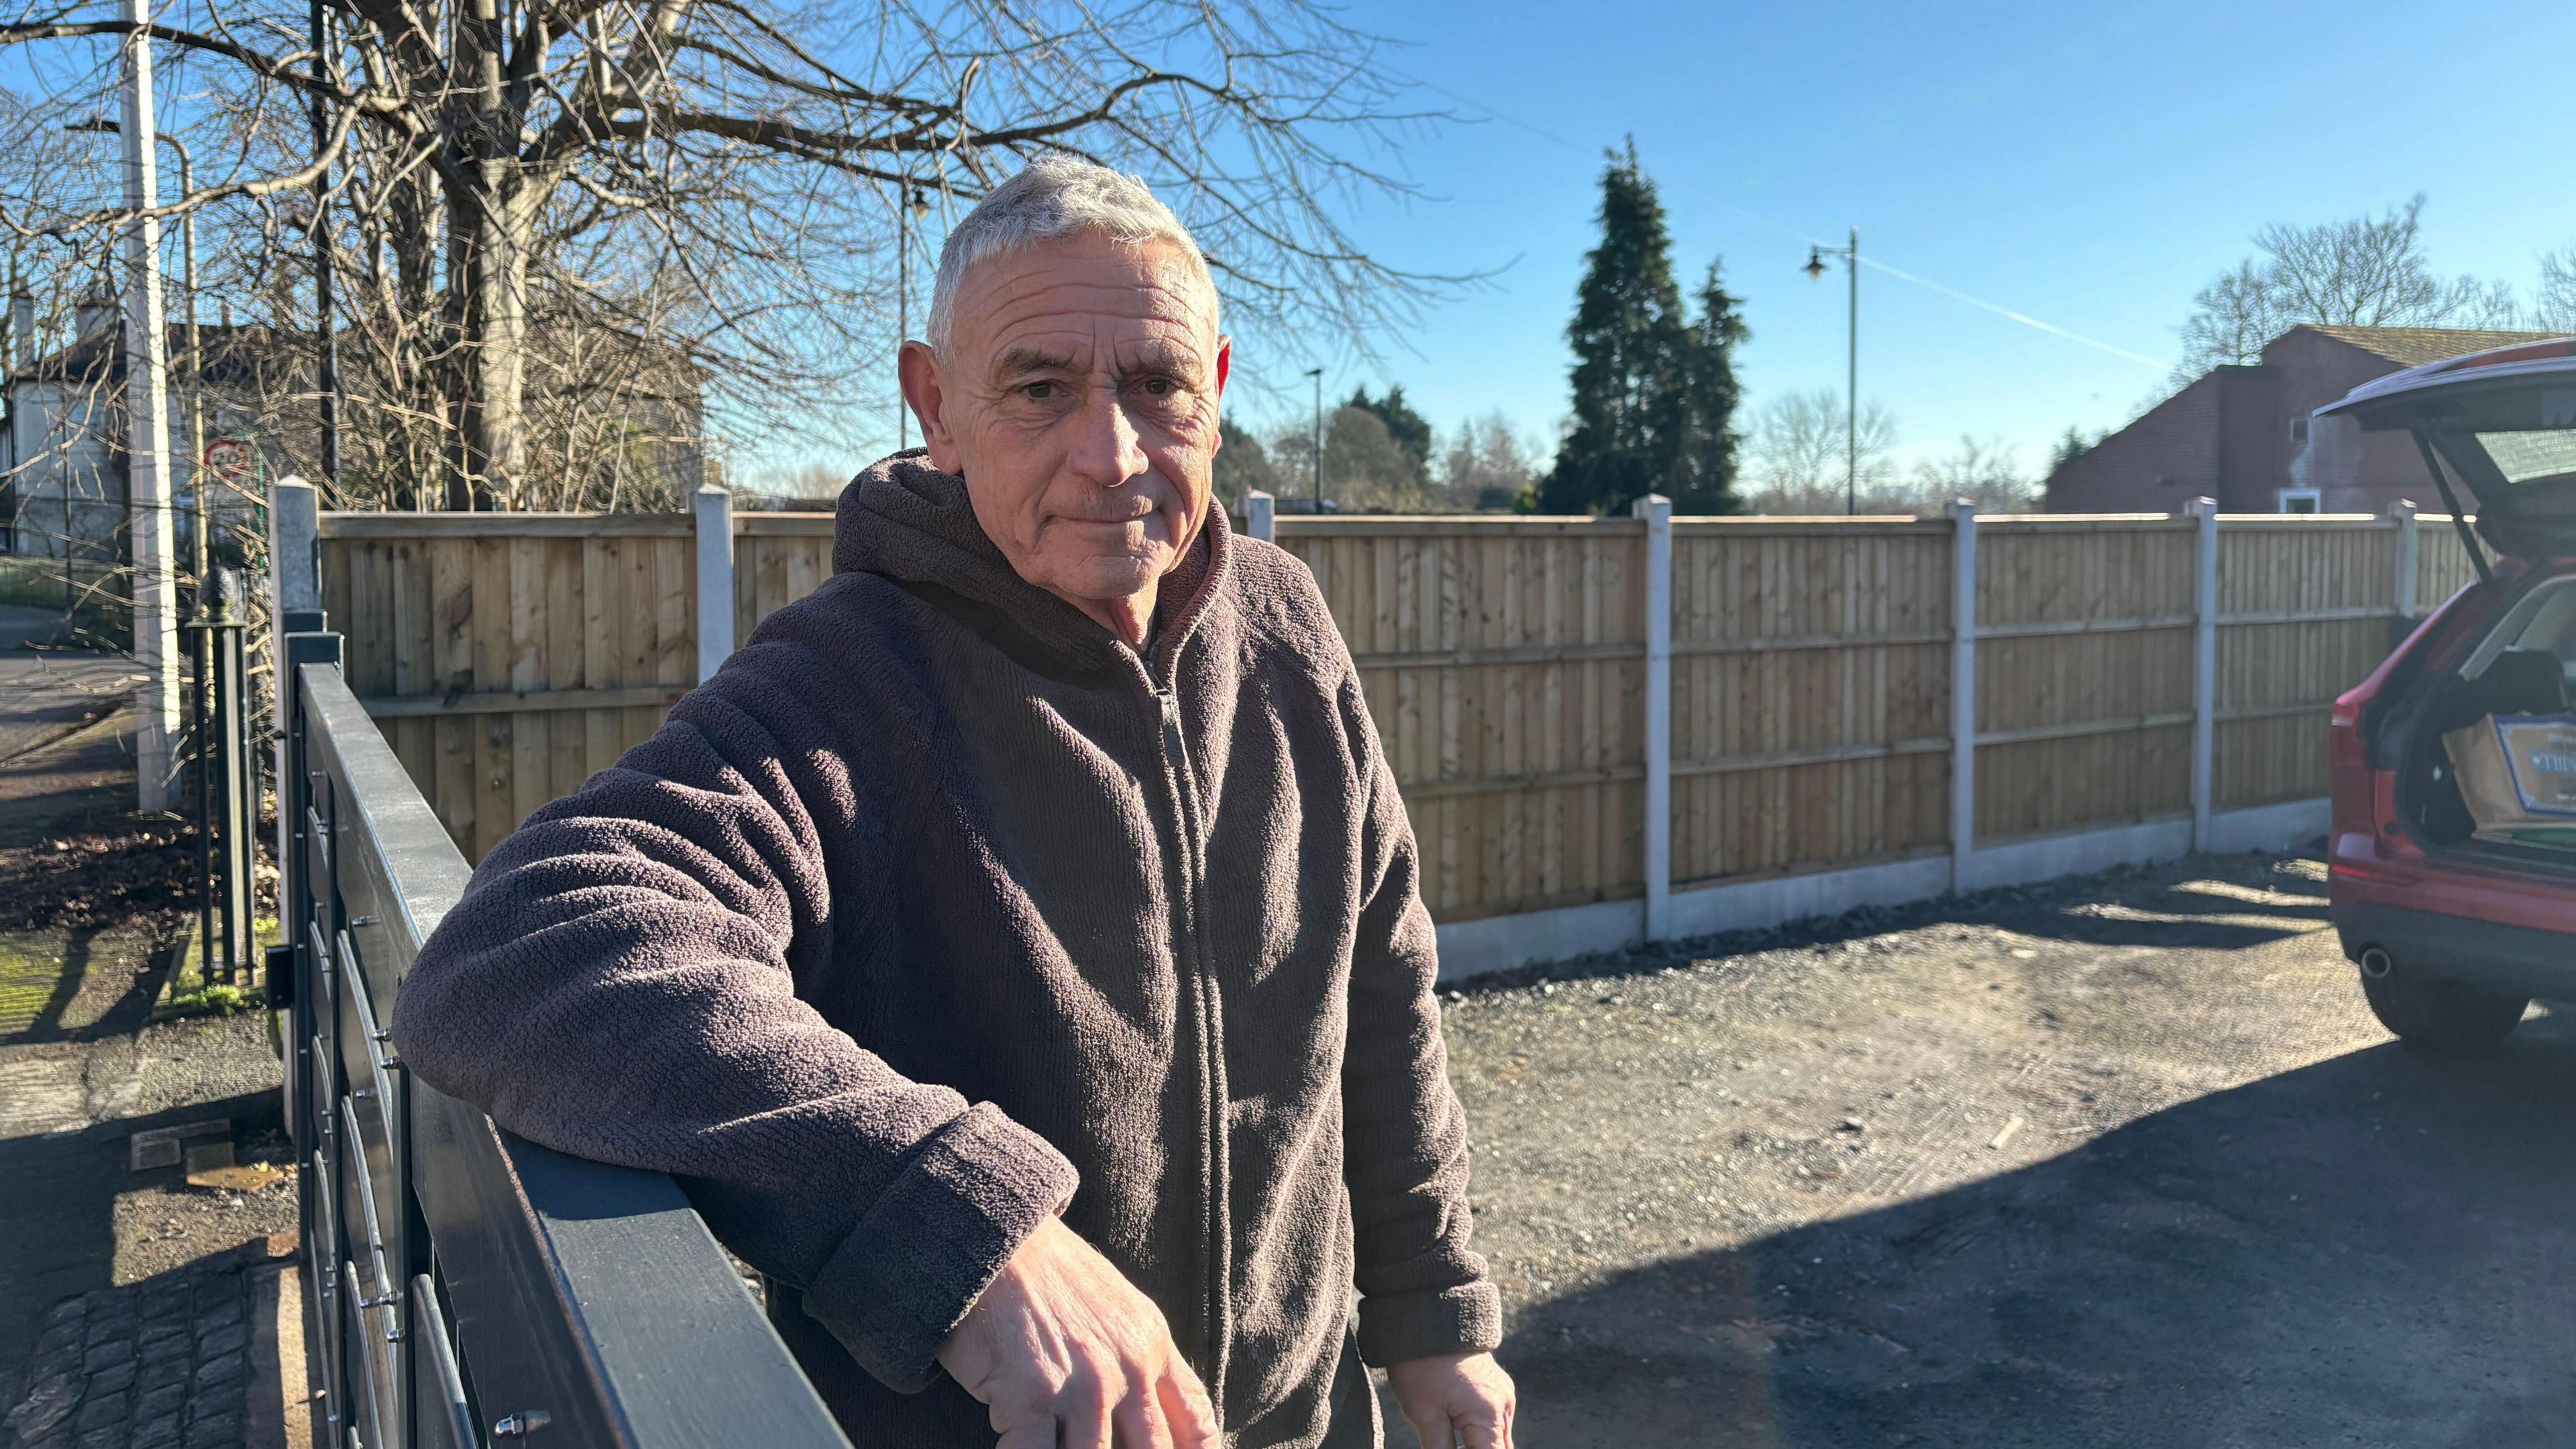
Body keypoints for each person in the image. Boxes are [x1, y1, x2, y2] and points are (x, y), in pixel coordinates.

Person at [390, 156, 1515, 1449]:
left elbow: (1382, 976)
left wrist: (1433, 1312)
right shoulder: (844, 684)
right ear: (936, 404)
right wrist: (963, 1219)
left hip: (1299, 1421)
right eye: (1039, 389)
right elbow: (523, 949)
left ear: (1212, 386)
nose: (1112, 453)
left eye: (1154, 386)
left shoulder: (1286, 629)